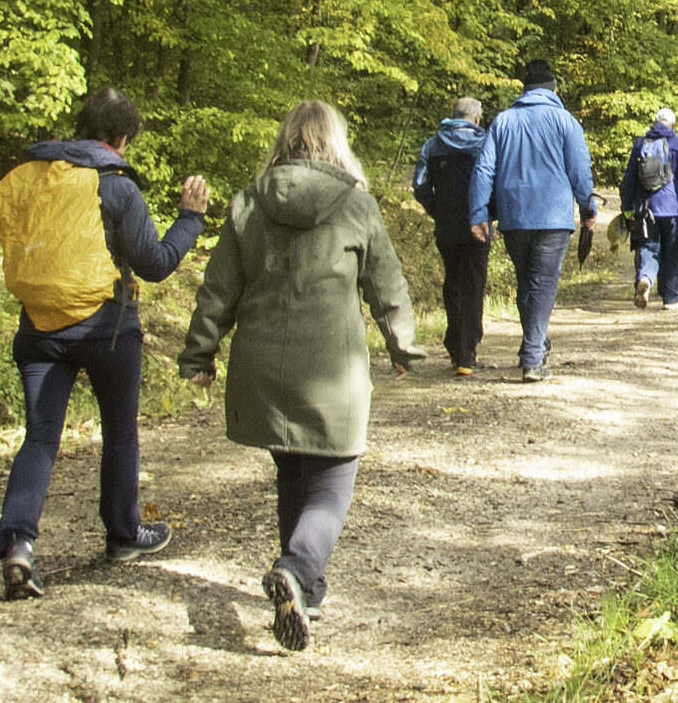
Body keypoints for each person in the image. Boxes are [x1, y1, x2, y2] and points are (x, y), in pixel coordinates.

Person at [180, 101, 423, 652]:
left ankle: (307, 593)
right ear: (337, 142)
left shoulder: (248, 203)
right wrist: (403, 345)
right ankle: (297, 568)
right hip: (331, 371)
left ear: (284, 141)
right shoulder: (356, 204)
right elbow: (387, 286)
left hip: (261, 369)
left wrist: (199, 354)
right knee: (333, 483)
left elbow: (218, 290)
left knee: (292, 473)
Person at [0, 87, 207, 601]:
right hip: (106, 330)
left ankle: (19, 543)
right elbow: (154, 264)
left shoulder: (34, 173)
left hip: (40, 325)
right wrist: (190, 218)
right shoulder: (115, 186)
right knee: (120, 434)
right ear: (122, 138)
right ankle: (124, 534)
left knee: (40, 439)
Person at [465, 58, 596, 382]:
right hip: (552, 215)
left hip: (514, 214)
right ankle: (533, 358)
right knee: (541, 284)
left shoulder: (503, 121)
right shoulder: (566, 121)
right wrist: (587, 205)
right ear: (554, 89)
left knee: (528, 282)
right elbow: (579, 170)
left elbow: (484, 169)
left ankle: (537, 343)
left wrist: (478, 212)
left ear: (524, 91)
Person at [414, 97, 490, 375]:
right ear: (477, 118)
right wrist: (489, 213)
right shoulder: (485, 144)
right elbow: (495, 181)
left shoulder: (433, 145)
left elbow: (420, 185)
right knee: (474, 284)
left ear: (453, 115)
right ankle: (467, 353)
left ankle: (455, 345)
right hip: (478, 225)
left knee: (453, 282)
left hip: (446, 226)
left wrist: (437, 209)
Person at [620, 106, 678, 310]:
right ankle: (670, 298)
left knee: (648, 247)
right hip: (673, 209)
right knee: (672, 252)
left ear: (655, 122)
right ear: (672, 125)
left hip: (647, 208)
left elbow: (629, 178)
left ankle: (645, 279)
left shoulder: (641, 144)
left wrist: (627, 208)